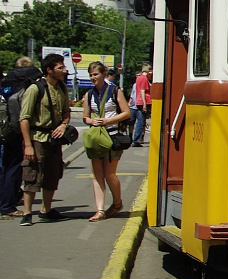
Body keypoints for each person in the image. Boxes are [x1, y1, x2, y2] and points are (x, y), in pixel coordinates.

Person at [18, 53, 73, 226]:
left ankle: (46, 209)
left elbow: (66, 112)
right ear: (49, 70)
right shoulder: (35, 89)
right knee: (33, 174)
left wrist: (63, 125)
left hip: (54, 139)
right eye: (60, 68)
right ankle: (27, 213)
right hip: (37, 138)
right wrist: (28, 145)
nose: (64, 70)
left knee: (52, 174)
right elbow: (24, 118)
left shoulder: (62, 88)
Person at [83, 61, 131, 221]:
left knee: (109, 174)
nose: (92, 78)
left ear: (103, 74)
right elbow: (86, 116)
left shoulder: (114, 91)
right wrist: (91, 122)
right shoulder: (89, 94)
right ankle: (100, 210)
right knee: (97, 174)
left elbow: (126, 113)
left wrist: (108, 121)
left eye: (95, 74)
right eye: (91, 75)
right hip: (97, 137)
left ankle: (117, 203)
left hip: (112, 136)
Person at [1, 57, 44, 218]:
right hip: (18, 131)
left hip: (5, 130)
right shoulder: (27, 83)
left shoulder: (8, 81)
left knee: (5, 168)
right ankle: (8, 207)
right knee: (16, 169)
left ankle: (5, 203)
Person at [132, 63, 152, 146]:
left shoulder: (139, 78)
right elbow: (143, 91)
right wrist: (144, 104)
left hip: (138, 101)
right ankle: (137, 139)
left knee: (140, 121)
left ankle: (137, 139)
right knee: (141, 121)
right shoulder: (144, 79)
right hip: (144, 101)